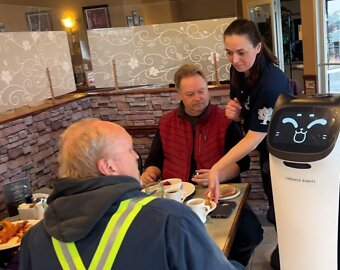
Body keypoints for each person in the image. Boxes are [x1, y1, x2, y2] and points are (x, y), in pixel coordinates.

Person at [19, 118, 243, 270]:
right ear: (108, 167)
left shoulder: (33, 240)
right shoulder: (170, 220)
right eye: (129, 149)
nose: (136, 156)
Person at [141, 64, 263, 266]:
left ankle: (227, 264)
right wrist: (149, 173)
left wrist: (218, 175)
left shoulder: (224, 121)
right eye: (190, 94)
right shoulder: (166, 122)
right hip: (176, 197)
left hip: (215, 194)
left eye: (202, 91)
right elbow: (154, 161)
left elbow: (243, 162)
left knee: (251, 234)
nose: (198, 97)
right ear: (178, 93)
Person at [206, 18, 291, 270]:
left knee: (284, 205)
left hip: (286, 149)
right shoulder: (238, 68)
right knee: (275, 201)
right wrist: (238, 113)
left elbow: (255, 136)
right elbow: (242, 109)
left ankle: (291, 253)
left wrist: (217, 168)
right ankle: (286, 250)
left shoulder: (271, 83)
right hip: (267, 147)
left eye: (241, 52)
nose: (234, 60)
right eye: (229, 53)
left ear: (257, 47)